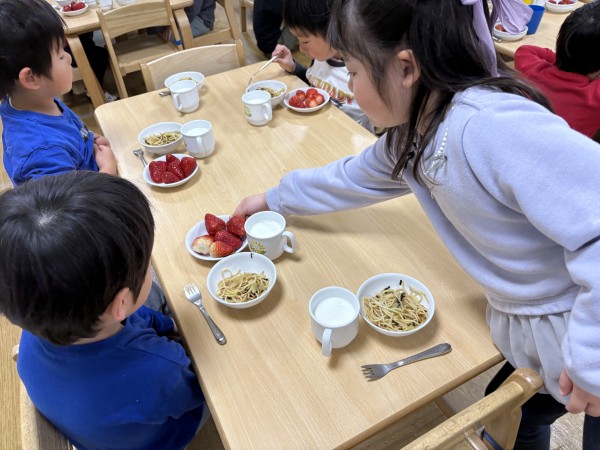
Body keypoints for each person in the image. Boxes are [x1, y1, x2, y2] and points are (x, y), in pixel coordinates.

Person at [234, 0, 600, 448]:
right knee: (517, 413)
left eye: (353, 71)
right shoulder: (416, 131)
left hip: (584, 322)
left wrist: (591, 360)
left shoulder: (487, 125)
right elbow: (349, 178)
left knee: (531, 413)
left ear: (406, 68)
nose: (350, 85)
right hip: (540, 327)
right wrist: (272, 198)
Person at [0, 171, 208, 449]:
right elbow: (200, 390)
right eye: (146, 263)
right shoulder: (159, 370)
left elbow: (134, 316)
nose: (148, 265)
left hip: (101, 418)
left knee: (152, 298)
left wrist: (166, 325)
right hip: (168, 435)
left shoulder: (39, 323)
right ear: (120, 305)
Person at [0, 0, 117, 186]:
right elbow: (76, 203)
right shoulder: (44, 152)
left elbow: (68, 132)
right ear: (30, 78)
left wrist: (88, 142)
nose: (69, 58)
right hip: (95, 194)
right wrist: (108, 169)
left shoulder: (33, 101)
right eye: (61, 55)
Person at [270, 0, 374, 133]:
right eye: (298, 40)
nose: (301, 49)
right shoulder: (322, 57)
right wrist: (293, 67)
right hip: (317, 131)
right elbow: (316, 82)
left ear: (333, 29)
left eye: (305, 41)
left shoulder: (361, 70)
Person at [514, 0, 600, 141]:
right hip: (566, 153)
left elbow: (525, 50)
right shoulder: (595, 95)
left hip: (519, 141)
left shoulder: (533, 70)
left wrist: (564, 59)